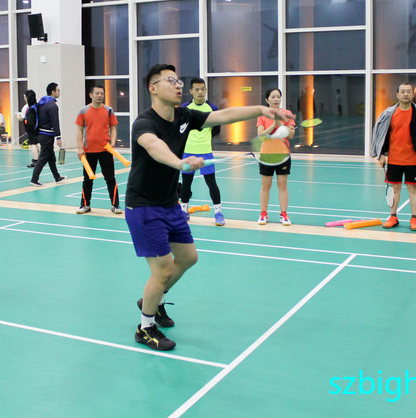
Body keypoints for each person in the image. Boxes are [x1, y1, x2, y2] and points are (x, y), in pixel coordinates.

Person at [127, 64, 292, 351]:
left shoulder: (184, 115)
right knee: (162, 269)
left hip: (168, 203)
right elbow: (153, 146)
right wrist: (179, 163)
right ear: (153, 88)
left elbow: (224, 115)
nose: (178, 85)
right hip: (144, 206)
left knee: (188, 258)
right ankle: (145, 327)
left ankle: (153, 300)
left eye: (178, 80)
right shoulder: (144, 123)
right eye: (170, 80)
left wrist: (261, 110)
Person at [371, 82, 416, 232]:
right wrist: (381, 154)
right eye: (403, 91)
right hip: (394, 158)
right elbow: (383, 135)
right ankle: (393, 217)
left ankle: (414, 219)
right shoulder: (389, 114)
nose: (405, 94)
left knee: (413, 189)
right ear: (397, 95)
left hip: (412, 159)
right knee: (395, 188)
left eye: (408, 91)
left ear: (413, 94)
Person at [180, 77, 224, 226]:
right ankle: (184, 211)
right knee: (186, 184)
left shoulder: (212, 108)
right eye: (197, 89)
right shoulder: (185, 108)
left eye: (203, 89)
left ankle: (218, 213)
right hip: (188, 152)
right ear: (191, 91)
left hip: (205, 152)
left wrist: (205, 140)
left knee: (211, 183)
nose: (200, 92)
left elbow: (216, 129)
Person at [75, 84, 122, 214]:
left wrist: (113, 143)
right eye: (97, 93)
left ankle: (115, 205)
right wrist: (79, 148)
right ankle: (85, 205)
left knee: (110, 179)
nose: (100, 96)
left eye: (102, 93)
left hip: (106, 151)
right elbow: (79, 130)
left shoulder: (109, 110)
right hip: (88, 152)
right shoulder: (83, 111)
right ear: (91, 95)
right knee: (87, 179)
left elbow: (113, 128)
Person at [256, 88, 296, 225]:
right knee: (265, 185)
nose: (276, 99)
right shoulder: (262, 115)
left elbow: (291, 135)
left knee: (282, 185)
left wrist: (280, 124)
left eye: (278, 96)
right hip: (267, 154)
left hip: (283, 154)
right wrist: (273, 124)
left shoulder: (287, 114)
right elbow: (261, 136)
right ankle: (263, 214)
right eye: (273, 97)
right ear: (267, 100)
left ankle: (284, 214)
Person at [30, 82, 66, 186]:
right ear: (53, 92)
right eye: (58, 90)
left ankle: (57, 177)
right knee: (43, 158)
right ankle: (34, 179)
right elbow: (55, 122)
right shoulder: (52, 106)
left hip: (42, 134)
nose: (59, 92)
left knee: (51, 157)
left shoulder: (41, 103)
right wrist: (58, 137)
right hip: (47, 136)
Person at [19, 90, 40, 167]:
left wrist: (18, 117)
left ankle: (36, 160)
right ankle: (39, 158)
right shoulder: (37, 106)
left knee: (33, 144)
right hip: (38, 128)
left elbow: (23, 118)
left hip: (31, 129)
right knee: (37, 143)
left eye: (25, 97)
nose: (24, 98)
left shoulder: (26, 107)